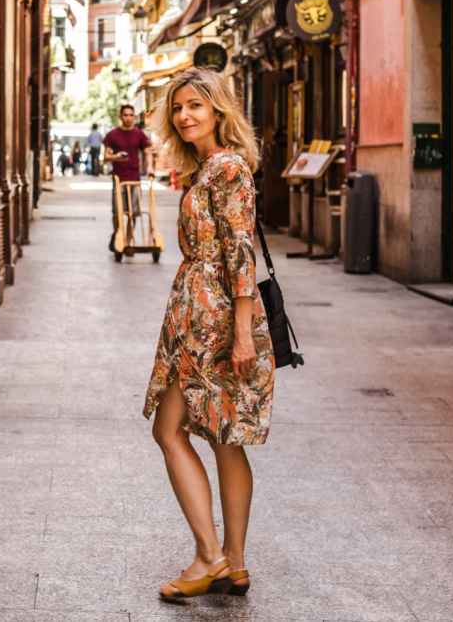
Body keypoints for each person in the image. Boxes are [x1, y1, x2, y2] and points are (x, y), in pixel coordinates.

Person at [142, 68, 273, 602]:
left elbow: (240, 252)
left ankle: (208, 555)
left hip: (212, 318)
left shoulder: (227, 168)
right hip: (201, 311)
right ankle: (233, 563)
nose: (184, 116)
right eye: (177, 108)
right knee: (224, 438)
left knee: (169, 430)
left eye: (195, 105)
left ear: (219, 110)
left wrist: (242, 333)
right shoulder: (210, 169)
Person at [104, 104, 153, 250]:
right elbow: (105, 157)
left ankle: (129, 239)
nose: (128, 118)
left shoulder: (139, 134)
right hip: (118, 179)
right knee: (117, 212)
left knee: (133, 212)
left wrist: (150, 167)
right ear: (120, 117)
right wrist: (116, 156)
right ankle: (118, 234)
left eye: (131, 115)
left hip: (134, 179)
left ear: (134, 117)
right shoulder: (112, 135)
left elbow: (147, 151)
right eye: (125, 115)